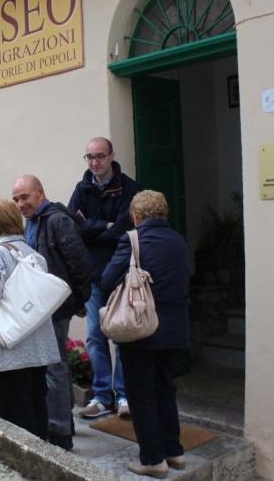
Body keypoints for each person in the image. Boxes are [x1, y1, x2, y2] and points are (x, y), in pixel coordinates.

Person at [101, 190, 189, 479]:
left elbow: (107, 279)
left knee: (141, 394)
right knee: (165, 388)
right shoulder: (179, 241)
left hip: (142, 329)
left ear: (136, 216)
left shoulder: (132, 239)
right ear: (163, 214)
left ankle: (152, 459)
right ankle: (174, 452)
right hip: (175, 329)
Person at [11, 174, 91, 450]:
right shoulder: (33, 221)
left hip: (57, 306)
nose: (21, 204)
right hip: (42, 308)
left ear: (40, 194)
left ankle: (59, 433)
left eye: (25, 197)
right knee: (54, 365)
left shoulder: (57, 220)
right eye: (16, 199)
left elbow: (79, 264)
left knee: (54, 367)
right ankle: (62, 422)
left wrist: (80, 300)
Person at [68, 136, 141, 419]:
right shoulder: (82, 188)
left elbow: (124, 229)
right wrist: (104, 226)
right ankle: (102, 396)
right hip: (94, 273)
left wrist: (95, 227)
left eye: (99, 156)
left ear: (112, 155)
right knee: (96, 336)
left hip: (121, 272)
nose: (94, 162)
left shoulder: (130, 188)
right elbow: (75, 226)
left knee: (122, 334)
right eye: (89, 157)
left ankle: (123, 395)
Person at [0, 199, 61, 440]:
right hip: (39, 347)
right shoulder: (35, 255)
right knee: (37, 407)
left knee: (16, 416)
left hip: (11, 347)